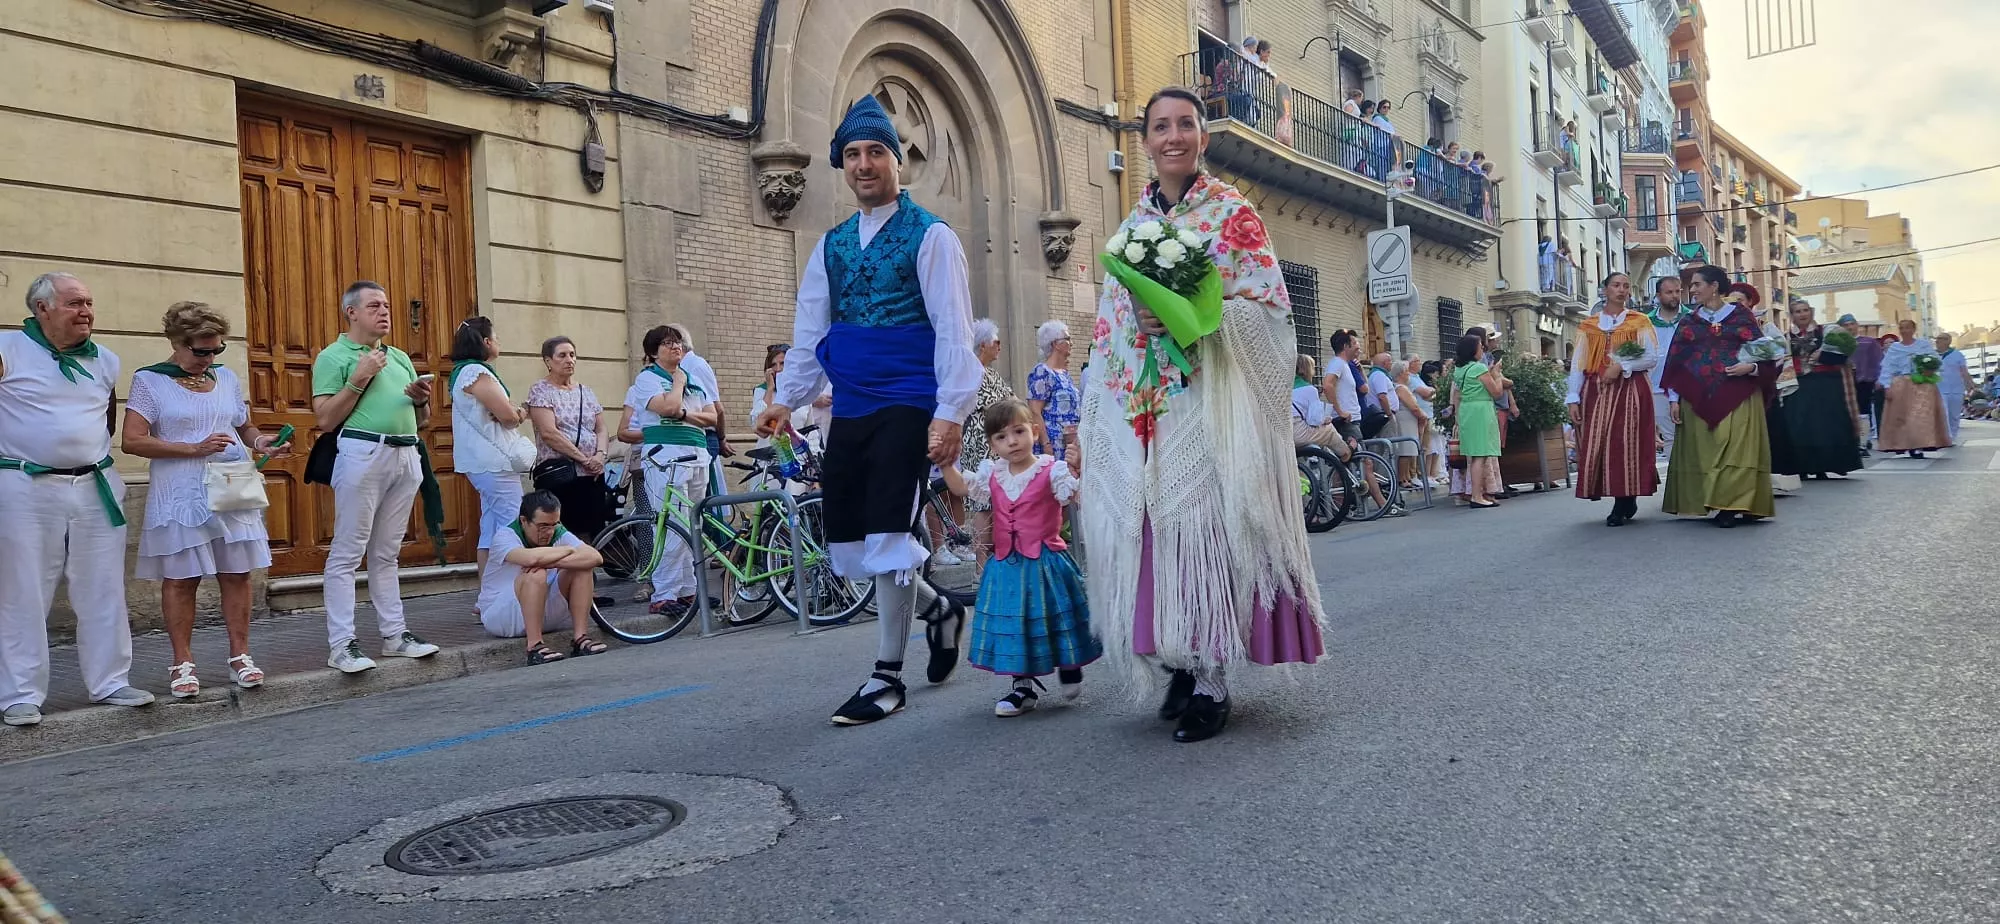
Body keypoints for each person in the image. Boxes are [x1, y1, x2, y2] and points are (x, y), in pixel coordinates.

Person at [1078, 86, 1326, 744]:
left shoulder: (1232, 214)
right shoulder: (1131, 229)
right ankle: (1180, 662)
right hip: (1150, 411)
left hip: (1213, 407)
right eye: (1160, 126)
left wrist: (1196, 323)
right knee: (1159, 540)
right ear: (1145, 139)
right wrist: (1110, 389)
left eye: (1185, 124)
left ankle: (1213, 678)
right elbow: (1109, 329)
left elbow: (1270, 312)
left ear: (1202, 137)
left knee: (1208, 542)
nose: (1173, 136)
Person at [755, 94, 977, 727]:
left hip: (909, 401)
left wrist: (951, 412)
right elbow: (810, 331)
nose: (863, 164)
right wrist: (784, 402)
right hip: (851, 405)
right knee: (856, 531)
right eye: (852, 154)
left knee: (888, 529)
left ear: (897, 159)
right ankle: (938, 610)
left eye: (875, 151)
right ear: (841, 165)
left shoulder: (931, 236)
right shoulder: (830, 246)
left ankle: (886, 676)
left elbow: (954, 331)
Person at [0, 272, 153, 726]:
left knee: (103, 587)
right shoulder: (8, 349)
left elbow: (104, 417)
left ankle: (111, 681)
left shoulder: (105, 359)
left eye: (88, 302)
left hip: (95, 486)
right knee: (23, 589)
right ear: (42, 308)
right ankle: (19, 693)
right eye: (74, 303)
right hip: (26, 487)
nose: (86, 311)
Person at [121, 301, 287, 698]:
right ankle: (181, 663)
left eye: (216, 350)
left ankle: (240, 656)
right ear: (176, 343)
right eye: (201, 351)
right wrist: (192, 448)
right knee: (181, 580)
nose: (209, 358)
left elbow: (243, 425)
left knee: (238, 573)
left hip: (230, 485)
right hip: (181, 491)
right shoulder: (150, 381)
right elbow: (132, 440)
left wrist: (260, 441)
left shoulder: (226, 377)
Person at [936, 398, 1097, 717]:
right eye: (1001, 436)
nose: (1012, 441)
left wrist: (1078, 466)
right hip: (1007, 565)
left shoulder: (1052, 470)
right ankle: (1021, 686)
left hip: (1046, 560)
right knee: (1015, 622)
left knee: (1055, 616)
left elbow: (1075, 493)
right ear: (991, 444)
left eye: (1019, 431)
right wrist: (944, 463)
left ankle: (1068, 663)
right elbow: (961, 488)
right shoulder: (992, 474)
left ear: (1034, 433)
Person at [312, 280, 442, 672]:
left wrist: (422, 401)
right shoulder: (334, 356)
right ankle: (342, 644)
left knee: (387, 552)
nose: (384, 312)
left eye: (386, 305)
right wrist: (359, 377)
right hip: (362, 451)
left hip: (405, 452)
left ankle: (395, 635)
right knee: (348, 553)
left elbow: (423, 421)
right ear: (351, 312)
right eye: (373, 306)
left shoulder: (399, 356)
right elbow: (325, 418)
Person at [1659, 270, 1779, 527]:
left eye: (1696, 285)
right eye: (1691, 286)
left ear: (1714, 286)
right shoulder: (1689, 322)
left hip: (1739, 394)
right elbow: (1677, 363)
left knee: (1736, 450)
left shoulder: (1741, 316)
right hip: (1697, 396)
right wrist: (1673, 398)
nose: (1691, 290)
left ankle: (1733, 504)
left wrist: (1752, 368)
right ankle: (1711, 500)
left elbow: (1766, 354)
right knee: (1706, 451)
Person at [618, 325, 717, 615]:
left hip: (697, 454)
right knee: (670, 523)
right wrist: (677, 384)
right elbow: (668, 407)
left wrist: (685, 412)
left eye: (677, 343)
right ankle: (664, 593)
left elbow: (711, 417)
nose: (675, 347)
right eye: (666, 344)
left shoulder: (695, 379)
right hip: (667, 457)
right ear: (652, 352)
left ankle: (688, 590)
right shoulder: (647, 379)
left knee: (692, 523)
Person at [1565, 273, 1660, 526]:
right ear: (1604, 290)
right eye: (1616, 285)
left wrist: (1621, 365)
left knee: (1626, 442)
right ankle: (1617, 493)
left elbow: (1651, 358)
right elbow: (1578, 363)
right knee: (1601, 443)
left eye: (1626, 286)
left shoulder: (1638, 321)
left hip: (1630, 389)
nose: (1621, 290)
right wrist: (1572, 397)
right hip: (1595, 391)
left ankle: (1624, 499)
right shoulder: (1589, 325)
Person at [448, 316, 530, 601]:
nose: (499, 342)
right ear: (486, 342)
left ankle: (487, 596)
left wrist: (509, 411)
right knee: (515, 526)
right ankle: (511, 594)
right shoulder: (476, 372)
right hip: (495, 462)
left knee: (492, 528)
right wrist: (520, 412)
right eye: (496, 337)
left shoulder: (463, 372)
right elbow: (507, 416)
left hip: (481, 463)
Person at [478, 491, 606, 663]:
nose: (550, 532)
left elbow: (595, 557)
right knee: (536, 573)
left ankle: (580, 639)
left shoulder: (556, 531)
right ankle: (534, 646)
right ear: (524, 521)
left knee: (582, 568)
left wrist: (553, 562)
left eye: (554, 524)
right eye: (543, 526)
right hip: (503, 617)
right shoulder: (505, 536)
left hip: (543, 610)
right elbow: (531, 559)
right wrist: (568, 550)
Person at [936, 317, 1014, 567]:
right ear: (983, 345)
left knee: (994, 499)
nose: (999, 346)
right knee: (984, 499)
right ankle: (981, 561)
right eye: (996, 341)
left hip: (995, 439)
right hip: (980, 440)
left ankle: (990, 555)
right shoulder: (970, 371)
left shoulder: (990, 373)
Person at [526, 336, 613, 542]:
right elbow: (549, 433)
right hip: (562, 474)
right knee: (562, 532)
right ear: (548, 361)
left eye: (572, 355)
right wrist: (583, 459)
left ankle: (585, 572)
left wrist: (600, 456)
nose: (569, 360)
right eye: (562, 355)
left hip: (592, 474)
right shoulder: (541, 391)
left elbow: (601, 428)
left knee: (592, 530)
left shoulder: (586, 392)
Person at [1774, 299, 1864, 479]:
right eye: (1798, 311)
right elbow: (1779, 362)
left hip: (1826, 385)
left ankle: (1826, 465)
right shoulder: (1785, 337)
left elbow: (1842, 356)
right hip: (1798, 386)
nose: (1802, 314)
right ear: (1792, 316)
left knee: (1827, 425)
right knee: (1799, 426)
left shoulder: (1826, 332)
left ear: (1811, 312)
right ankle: (1802, 467)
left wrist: (1824, 355)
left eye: (1805, 310)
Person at [667, 324, 732, 495]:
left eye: (668, 342)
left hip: (703, 435)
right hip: (689, 437)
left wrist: (721, 438)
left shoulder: (695, 366)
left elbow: (717, 409)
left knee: (701, 501)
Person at [1876, 318, 1950, 457]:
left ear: (1913, 329)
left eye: (1908, 327)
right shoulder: (1895, 348)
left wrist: (1929, 369)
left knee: (1919, 416)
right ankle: (1901, 444)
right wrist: (1886, 386)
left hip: (1922, 384)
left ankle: (1919, 444)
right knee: (1902, 417)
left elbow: (1937, 362)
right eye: (1902, 328)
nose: (1905, 331)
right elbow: (1887, 368)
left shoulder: (1924, 345)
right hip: (1901, 384)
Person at [1449, 333, 1505, 508]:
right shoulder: (1478, 368)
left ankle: (1476, 494)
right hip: (1481, 409)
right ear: (1473, 350)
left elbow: (1457, 393)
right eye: (1481, 346)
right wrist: (1497, 375)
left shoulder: (1460, 369)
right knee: (1480, 454)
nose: (1483, 349)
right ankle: (1476, 496)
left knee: (1474, 454)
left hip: (1467, 409)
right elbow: (1496, 392)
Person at [1028, 320, 1082, 461]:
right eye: (1067, 339)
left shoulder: (1064, 374)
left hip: (1070, 443)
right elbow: (1035, 410)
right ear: (1055, 344)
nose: (1071, 344)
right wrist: (1045, 443)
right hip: (1054, 443)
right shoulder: (1042, 372)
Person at [1647, 276, 1688, 459]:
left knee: (1693, 436)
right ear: (1658, 295)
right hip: (1658, 388)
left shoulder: (1691, 318)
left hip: (1689, 388)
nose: (1674, 296)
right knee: (1670, 437)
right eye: (1669, 292)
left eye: (1677, 291)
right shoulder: (1646, 322)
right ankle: (1675, 484)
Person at [1841, 314, 1884, 445]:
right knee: (1846, 411)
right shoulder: (1837, 343)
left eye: (1852, 324)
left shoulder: (1869, 342)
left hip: (1864, 381)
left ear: (1856, 325)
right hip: (1843, 381)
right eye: (1846, 325)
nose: (1849, 327)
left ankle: (1864, 442)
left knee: (1863, 411)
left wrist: (1878, 378)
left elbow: (1879, 361)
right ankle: (1850, 440)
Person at [1291, 354, 1344, 454]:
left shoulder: (1286, 387)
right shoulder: (1309, 389)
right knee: (1329, 430)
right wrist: (1325, 419)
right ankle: (1346, 453)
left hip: (1284, 433)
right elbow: (1314, 420)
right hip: (1298, 433)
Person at [1390, 359, 1431, 488]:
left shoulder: (1404, 387)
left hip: (1409, 420)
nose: (1408, 374)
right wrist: (1422, 414)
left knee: (1410, 450)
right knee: (1405, 449)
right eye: (1406, 371)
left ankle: (1407, 476)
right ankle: (1402, 478)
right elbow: (1413, 406)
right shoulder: (1401, 388)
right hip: (1405, 420)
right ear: (1400, 373)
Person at [1935, 332, 1975, 444]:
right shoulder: (1932, 356)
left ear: (1948, 341)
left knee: (1954, 415)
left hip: (1956, 389)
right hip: (1940, 389)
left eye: (1941, 339)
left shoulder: (1957, 355)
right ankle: (1946, 437)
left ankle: (1952, 436)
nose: (1937, 341)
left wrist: (1970, 386)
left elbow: (1964, 372)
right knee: (1944, 413)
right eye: (1937, 339)